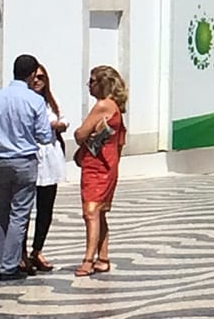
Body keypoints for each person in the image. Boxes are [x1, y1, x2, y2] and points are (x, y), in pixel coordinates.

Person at [0, 54, 56, 281]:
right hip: (24, 161)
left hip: (0, 160)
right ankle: (9, 266)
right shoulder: (34, 101)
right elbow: (43, 135)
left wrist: (1, 137)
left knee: (0, 215)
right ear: (32, 75)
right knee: (19, 215)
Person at [72, 65, 129, 278]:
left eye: (93, 80)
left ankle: (88, 258)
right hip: (109, 165)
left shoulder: (103, 106)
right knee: (100, 213)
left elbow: (80, 135)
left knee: (91, 212)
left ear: (103, 84)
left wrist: (82, 134)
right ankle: (103, 257)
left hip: (96, 167)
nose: (89, 84)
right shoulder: (115, 108)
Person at [24, 64, 71, 274]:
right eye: (34, 77)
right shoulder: (25, 101)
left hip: (50, 157)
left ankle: (37, 250)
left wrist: (58, 125)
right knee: (24, 209)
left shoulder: (52, 102)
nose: (37, 81)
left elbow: (63, 120)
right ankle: (21, 252)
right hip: (32, 155)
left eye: (41, 77)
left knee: (46, 208)